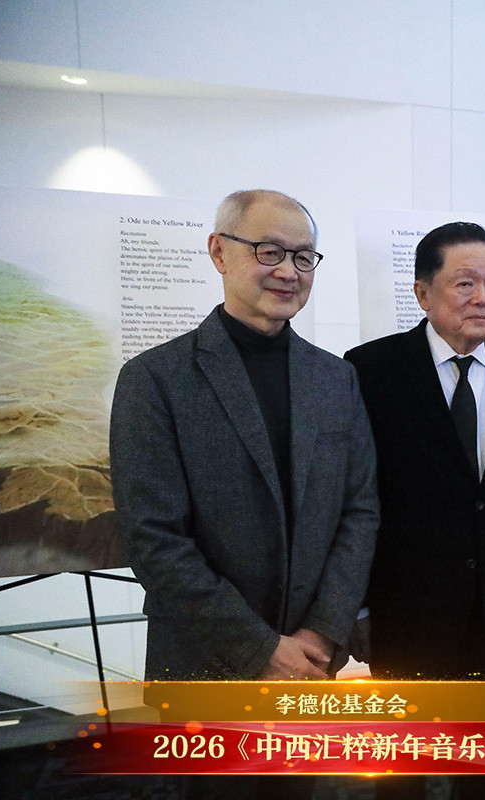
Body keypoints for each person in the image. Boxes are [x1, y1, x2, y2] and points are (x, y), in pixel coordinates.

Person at [110, 190, 379, 798]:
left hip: (309, 667)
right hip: (205, 664)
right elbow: (153, 540)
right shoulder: (155, 379)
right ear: (219, 253)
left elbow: (359, 511)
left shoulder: (335, 378)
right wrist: (261, 650)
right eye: (269, 251)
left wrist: (319, 635)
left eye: (304, 257)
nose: (288, 271)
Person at [344, 222, 485, 800]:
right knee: (403, 769)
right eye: (465, 284)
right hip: (408, 609)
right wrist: (355, 603)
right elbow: (353, 495)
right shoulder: (370, 370)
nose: (484, 298)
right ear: (423, 293)